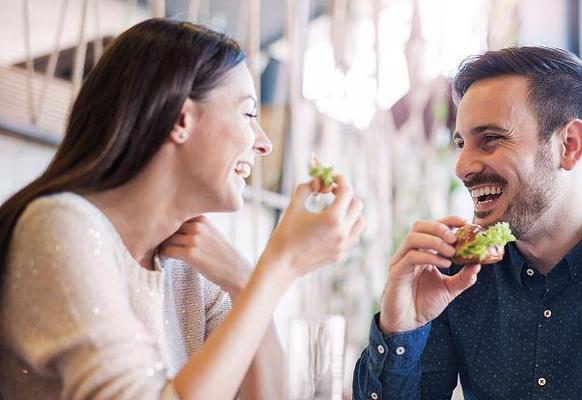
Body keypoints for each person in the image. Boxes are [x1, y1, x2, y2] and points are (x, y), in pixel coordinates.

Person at [0, 19, 365, 399]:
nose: (264, 144)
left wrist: (245, 281)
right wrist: (280, 266)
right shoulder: (58, 226)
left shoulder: (189, 269)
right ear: (181, 119)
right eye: (248, 114)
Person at [353, 46, 582, 399]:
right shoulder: (454, 274)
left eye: (490, 139)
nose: (462, 167)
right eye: (461, 144)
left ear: (569, 145)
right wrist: (401, 328)